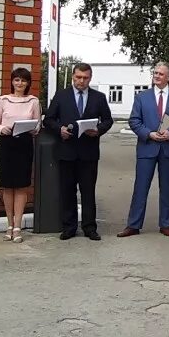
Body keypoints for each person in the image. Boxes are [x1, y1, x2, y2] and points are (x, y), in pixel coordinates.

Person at [122, 61, 169, 237]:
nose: (157, 76)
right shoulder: (142, 97)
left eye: (161, 74)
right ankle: (133, 225)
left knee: (166, 187)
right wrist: (148, 134)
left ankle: (165, 224)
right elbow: (134, 121)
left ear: (168, 77)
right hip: (147, 147)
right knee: (140, 186)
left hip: (168, 148)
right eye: (155, 73)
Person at [44, 61, 114, 241]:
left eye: (85, 78)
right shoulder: (61, 96)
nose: (81, 81)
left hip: (88, 152)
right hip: (66, 150)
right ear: (73, 77)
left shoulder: (99, 97)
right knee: (67, 191)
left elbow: (108, 120)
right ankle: (69, 227)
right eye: (78, 77)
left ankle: (90, 227)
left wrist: (98, 130)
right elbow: (49, 119)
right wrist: (59, 129)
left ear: (90, 78)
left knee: (88, 191)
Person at [0, 67, 40, 243]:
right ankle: (9, 224)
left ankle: (18, 225)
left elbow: (38, 125)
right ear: (12, 81)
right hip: (6, 143)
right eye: (17, 80)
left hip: (24, 143)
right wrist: (2, 128)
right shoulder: (2, 100)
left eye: (23, 80)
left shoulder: (33, 101)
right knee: (8, 185)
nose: (20, 83)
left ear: (28, 83)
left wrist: (31, 127)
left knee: (22, 186)